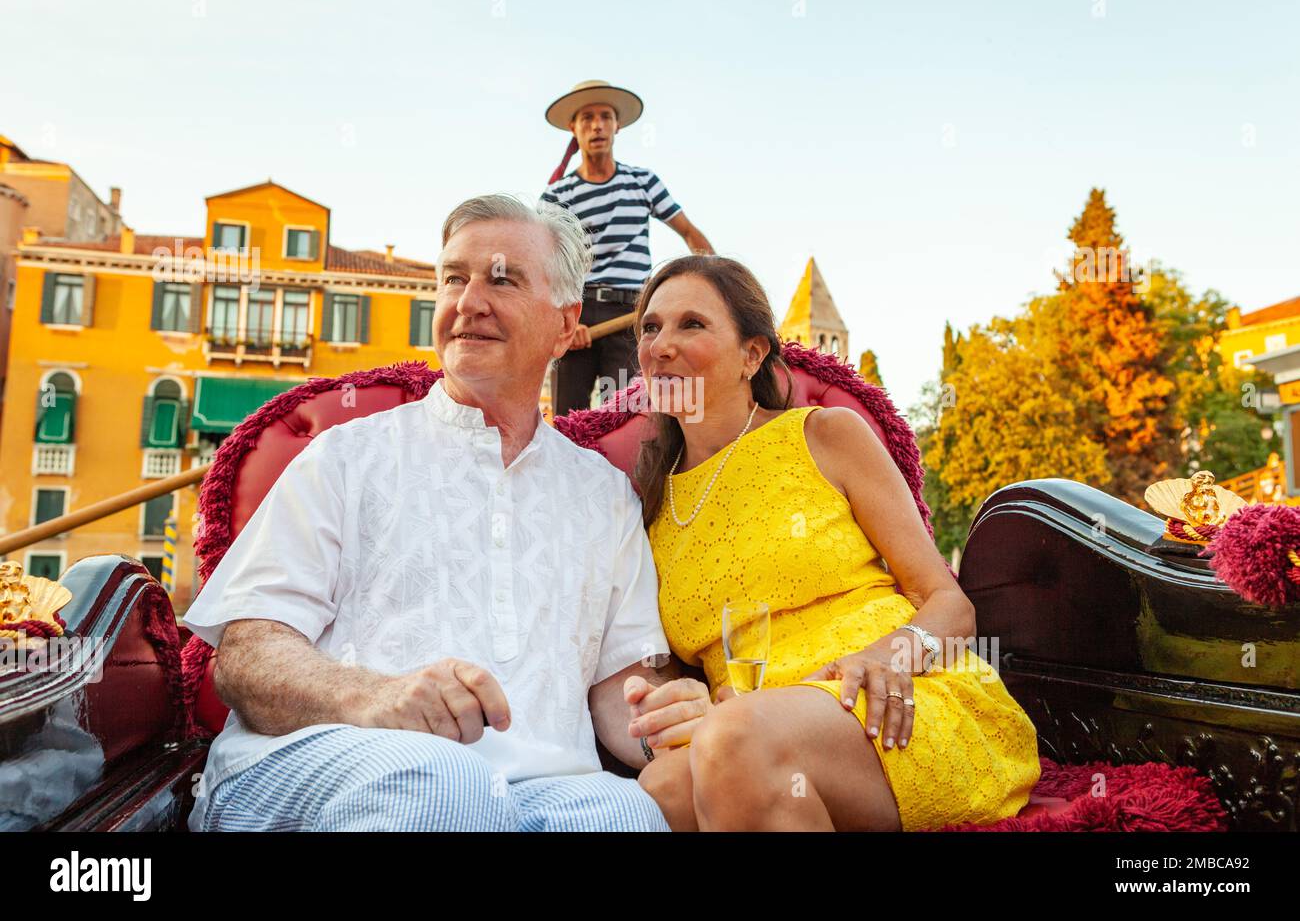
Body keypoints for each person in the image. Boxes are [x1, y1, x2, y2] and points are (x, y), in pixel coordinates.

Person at [182, 194, 708, 832]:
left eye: (502, 279)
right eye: (454, 278)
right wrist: (374, 696)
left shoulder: (604, 494)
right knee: (440, 784)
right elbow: (245, 655)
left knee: (623, 816)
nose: (469, 302)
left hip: (539, 788)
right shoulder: (349, 456)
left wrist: (664, 720)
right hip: (319, 758)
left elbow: (619, 686)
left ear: (567, 326)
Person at [628, 255, 1043, 831]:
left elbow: (951, 604)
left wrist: (887, 655)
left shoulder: (824, 434)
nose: (661, 345)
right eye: (651, 327)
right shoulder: (647, 506)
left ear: (752, 354)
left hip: (893, 698)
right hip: (747, 728)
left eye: (691, 324)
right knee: (661, 788)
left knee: (732, 741)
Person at [540, 79, 714, 416]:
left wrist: (711, 285)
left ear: (617, 125)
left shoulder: (643, 182)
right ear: (573, 128)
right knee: (568, 421)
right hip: (576, 314)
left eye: (605, 116)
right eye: (587, 117)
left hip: (631, 316)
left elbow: (691, 234)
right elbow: (544, 264)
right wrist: (560, 318)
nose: (597, 125)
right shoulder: (557, 196)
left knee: (627, 419)